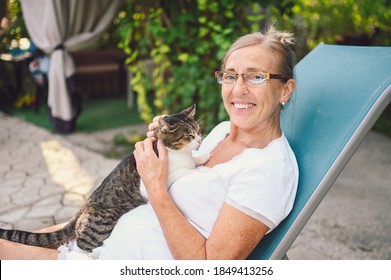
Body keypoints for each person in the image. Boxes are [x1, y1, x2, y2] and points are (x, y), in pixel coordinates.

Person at [0, 26, 298, 260]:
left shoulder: (268, 169)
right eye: (230, 76)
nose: (238, 89)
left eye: (256, 77)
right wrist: (164, 145)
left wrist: (155, 187)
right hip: (106, 237)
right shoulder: (221, 131)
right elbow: (182, 172)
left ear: (285, 90)